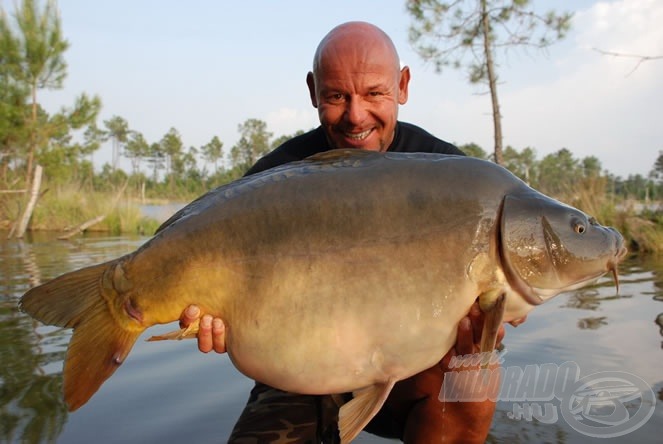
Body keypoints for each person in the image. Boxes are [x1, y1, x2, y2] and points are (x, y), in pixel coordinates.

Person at [180, 21, 516, 443]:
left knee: (471, 386)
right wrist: (217, 321)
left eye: (374, 93)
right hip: (299, 372)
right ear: (312, 92)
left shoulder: (449, 174)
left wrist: (486, 325)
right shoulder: (274, 180)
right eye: (337, 96)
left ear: (403, 84)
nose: (356, 116)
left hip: (410, 369)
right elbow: (227, 297)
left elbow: (496, 302)